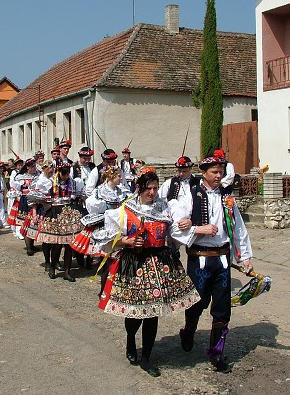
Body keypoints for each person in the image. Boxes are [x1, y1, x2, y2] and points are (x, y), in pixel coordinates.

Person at [96, 169, 200, 377]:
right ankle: (130, 340)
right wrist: (126, 241)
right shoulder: (126, 210)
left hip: (160, 263)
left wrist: (188, 223)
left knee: (153, 313)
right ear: (139, 188)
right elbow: (104, 238)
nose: (152, 193)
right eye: (148, 189)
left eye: (154, 188)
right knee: (134, 312)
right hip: (135, 264)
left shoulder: (165, 207)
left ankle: (147, 358)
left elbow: (175, 231)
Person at [172, 150, 253, 373]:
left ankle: (216, 354)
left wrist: (245, 258)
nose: (219, 176)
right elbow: (176, 227)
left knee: (222, 309)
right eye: (215, 172)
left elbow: (238, 229)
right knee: (197, 303)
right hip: (199, 259)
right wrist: (199, 229)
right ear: (203, 173)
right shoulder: (191, 196)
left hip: (223, 260)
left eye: (221, 172)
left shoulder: (227, 200)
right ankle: (188, 331)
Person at [70, 165, 131, 274]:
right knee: (105, 250)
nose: (121, 178)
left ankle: (114, 273)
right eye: (119, 176)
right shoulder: (100, 190)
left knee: (117, 250)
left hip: (118, 222)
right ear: (111, 176)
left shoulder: (121, 190)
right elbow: (91, 204)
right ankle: (105, 273)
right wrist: (105, 208)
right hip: (105, 223)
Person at [37, 161, 84, 281]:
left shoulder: (73, 183)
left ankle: (67, 271)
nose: (66, 176)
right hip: (55, 212)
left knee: (69, 244)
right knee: (56, 244)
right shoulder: (51, 183)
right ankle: (52, 266)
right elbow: (42, 197)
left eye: (68, 173)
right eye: (64, 174)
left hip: (69, 213)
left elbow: (77, 197)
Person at [11, 158, 44, 254]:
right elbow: (15, 188)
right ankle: (29, 247)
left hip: (36, 201)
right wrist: (18, 196)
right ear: (28, 167)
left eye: (35, 166)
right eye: (32, 166)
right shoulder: (20, 177)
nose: (34, 168)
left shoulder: (39, 175)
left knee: (33, 223)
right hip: (25, 200)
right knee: (26, 222)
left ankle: (32, 245)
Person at [6, 158, 24, 240]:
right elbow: (12, 183)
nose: (20, 166)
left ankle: (19, 230)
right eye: (19, 165)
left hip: (22, 193)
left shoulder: (23, 173)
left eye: (21, 165)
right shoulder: (14, 172)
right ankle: (15, 230)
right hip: (16, 193)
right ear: (16, 166)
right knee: (14, 211)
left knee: (20, 213)